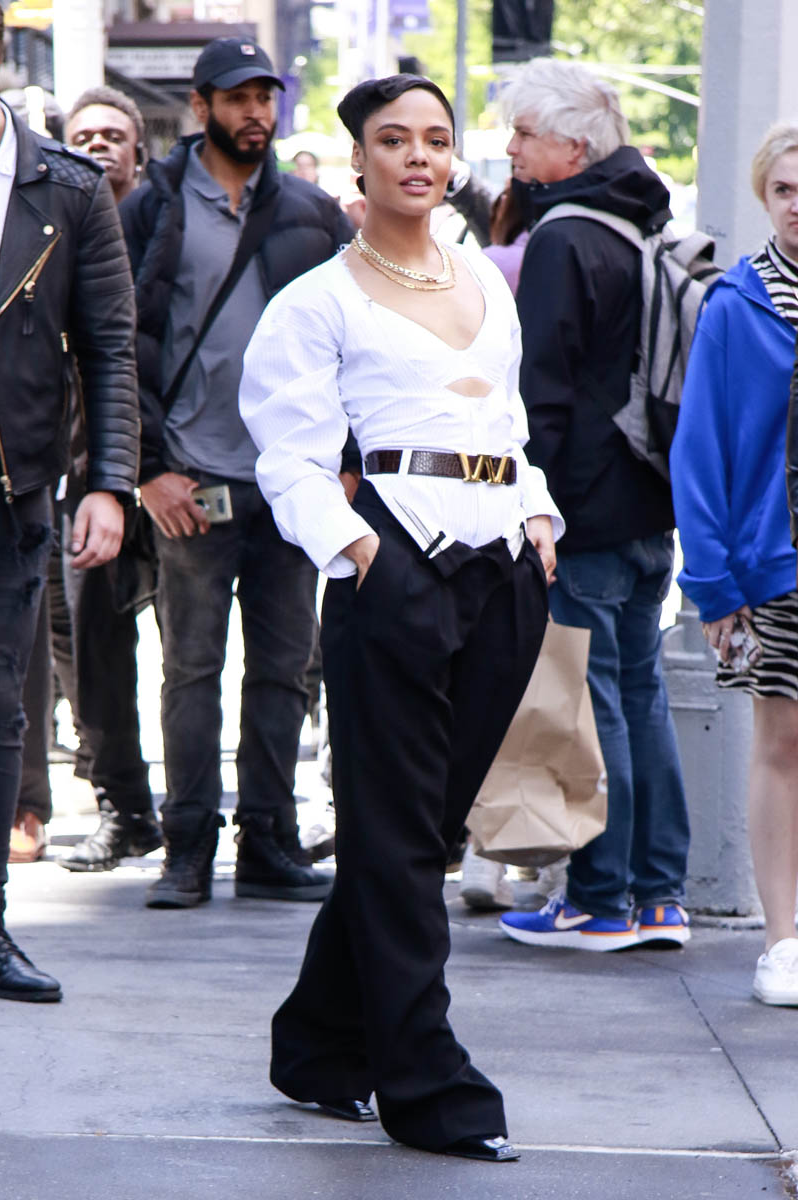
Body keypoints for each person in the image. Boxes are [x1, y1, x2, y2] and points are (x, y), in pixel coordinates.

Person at [240, 73, 560, 1162]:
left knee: (414, 833)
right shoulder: (316, 300)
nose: (418, 156)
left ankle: (317, 1046)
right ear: (359, 159)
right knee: (396, 835)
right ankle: (429, 1087)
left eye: (434, 138)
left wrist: (538, 515)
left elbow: (510, 421)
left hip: (505, 568)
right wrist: (358, 552)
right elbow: (288, 454)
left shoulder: (484, 280)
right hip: (393, 564)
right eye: (393, 139)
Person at [120, 36, 352, 909]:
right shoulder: (152, 206)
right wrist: (147, 469)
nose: (256, 112)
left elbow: (352, 348)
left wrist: (344, 468)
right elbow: (116, 344)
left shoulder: (314, 213)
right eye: (238, 97)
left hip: (293, 482)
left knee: (285, 669)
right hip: (192, 477)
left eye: (265, 96)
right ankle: (186, 847)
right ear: (201, 105)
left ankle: (269, 841)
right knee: (190, 669)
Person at [496, 58, 691, 952]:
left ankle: (599, 898)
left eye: (525, 133)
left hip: (582, 509)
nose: (511, 148)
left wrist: (533, 508)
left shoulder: (564, 238)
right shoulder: (638, 226)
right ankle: (659, 898)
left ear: (573, 148)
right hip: (648, 506)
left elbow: (543, 392)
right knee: (639, 694)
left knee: (591, 696)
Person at [0, 1, 139, 1001]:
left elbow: (109, 347)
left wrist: (110, 483)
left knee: (1, 710)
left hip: (16, 492)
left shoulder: (69, 184)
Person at [674, 122, 798, 1006]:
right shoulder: (736, 305)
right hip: (775, 564)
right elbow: (701, 451)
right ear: (765, 197)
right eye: (785, 190)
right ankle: (783, 941)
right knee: (782, 746)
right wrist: (714, 585)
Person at [51, 86, 162, 873]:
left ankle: (202, 812)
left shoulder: (167, 223)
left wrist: (151, 469)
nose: (98, 144)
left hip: (173, 470)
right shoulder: (48, 220)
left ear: (139, 153)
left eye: (113, 135)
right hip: (77, 471)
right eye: (84, 134)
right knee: (90, 649)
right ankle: (124, 806)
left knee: (190, 654)